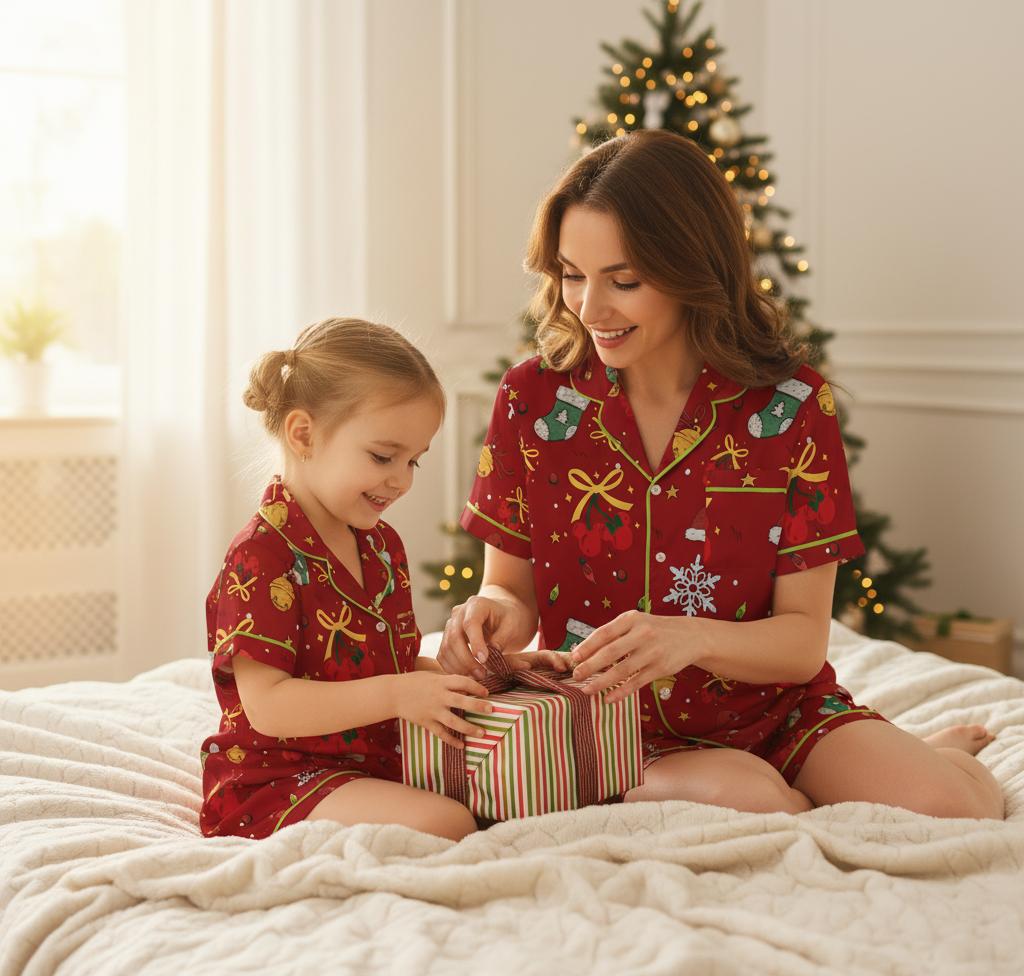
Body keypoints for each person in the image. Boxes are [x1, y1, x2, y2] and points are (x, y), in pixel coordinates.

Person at [437, 130, 1003, 820]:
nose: (589, 310)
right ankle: (757, 783)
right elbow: (510, 586)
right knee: (751, 798)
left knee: (955, 806)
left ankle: (938, 755)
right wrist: (493, 612)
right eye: (571, 275)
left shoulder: (790, 406)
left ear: (691, 268)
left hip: (773, 709)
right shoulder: (532, 401)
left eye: (624, 281)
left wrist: (691, 637)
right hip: (606, 725)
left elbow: (801, 642)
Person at [200, 317, 497, 841]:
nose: (401, 480)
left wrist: (473, 681)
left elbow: (390, 667)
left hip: (371, 761)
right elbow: (267, 706)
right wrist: (398, 696)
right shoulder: (261, 556)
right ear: (304, 434)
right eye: (384, 456)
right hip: (281, 776)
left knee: (512, 791)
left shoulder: (382, 548)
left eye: (414, 462)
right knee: (447, 823)